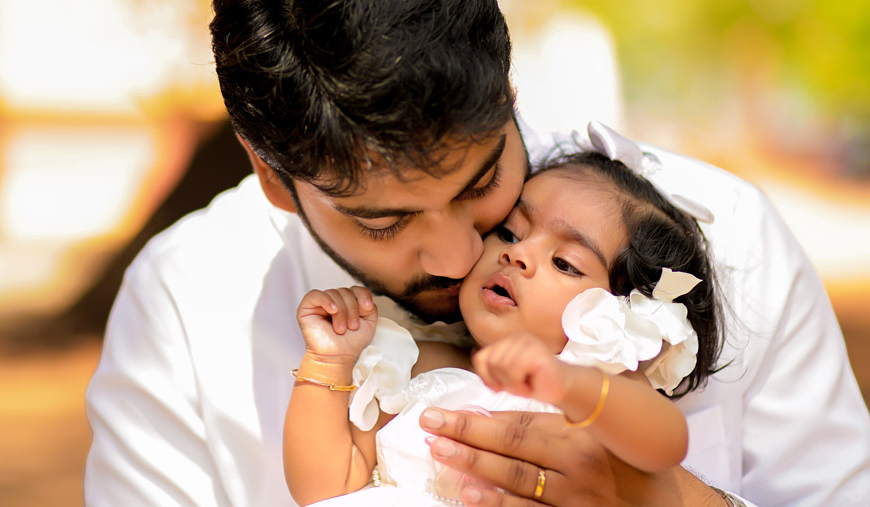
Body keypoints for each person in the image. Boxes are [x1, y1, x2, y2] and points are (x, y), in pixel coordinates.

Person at [84, 0, 870, 506]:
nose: (454, 256)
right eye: (384, 221)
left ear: (508, 96)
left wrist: (669, 501)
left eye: (481, 184)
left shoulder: (722, 235)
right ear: (273, 177)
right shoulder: (186, 303)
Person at [285, 151, 721, 505]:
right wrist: (328, 362)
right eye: (510, 234)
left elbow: (665, 445)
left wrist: (571, 383)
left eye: (565, 263)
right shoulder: (413, 363)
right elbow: (325, 486)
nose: (519, 254)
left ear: (620, 317)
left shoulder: (602, 392)